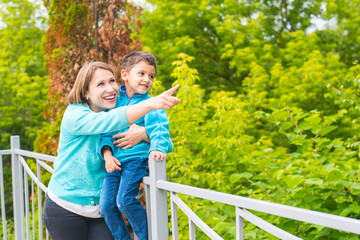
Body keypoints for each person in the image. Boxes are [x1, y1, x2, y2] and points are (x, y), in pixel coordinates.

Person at [43, 61, 180, 240]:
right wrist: (151, 104)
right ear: (85, 92)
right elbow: (108, 122)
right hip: (66, 207)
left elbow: (166, 143)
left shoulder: (116, 108)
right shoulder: (75, 114)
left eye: (111, 81)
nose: (110, 88)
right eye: (100, 84)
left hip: (100, 210)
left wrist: (145, 133)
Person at [99, 52, 171, 240]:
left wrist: (157, 147)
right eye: (142, 74)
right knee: (106, 206)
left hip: (136, 160)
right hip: (114, 162)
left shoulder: (152, 103)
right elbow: (105, 132)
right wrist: (107, 155)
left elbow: (160, 129)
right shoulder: (113, 102)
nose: (147, 79)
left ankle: (147, 236)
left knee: (124, 201)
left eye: (151, 76)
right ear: (125, 75)